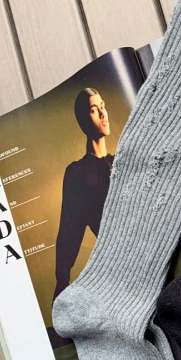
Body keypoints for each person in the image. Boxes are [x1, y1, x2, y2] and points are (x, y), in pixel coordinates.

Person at [53, 88, 114, 300]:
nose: (103, 114)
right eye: (94, 110)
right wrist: (62, 282)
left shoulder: (122, 163)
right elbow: (68, 232)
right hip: (116, 271)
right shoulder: (77, 173)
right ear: (83, 119)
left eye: (103, 107)